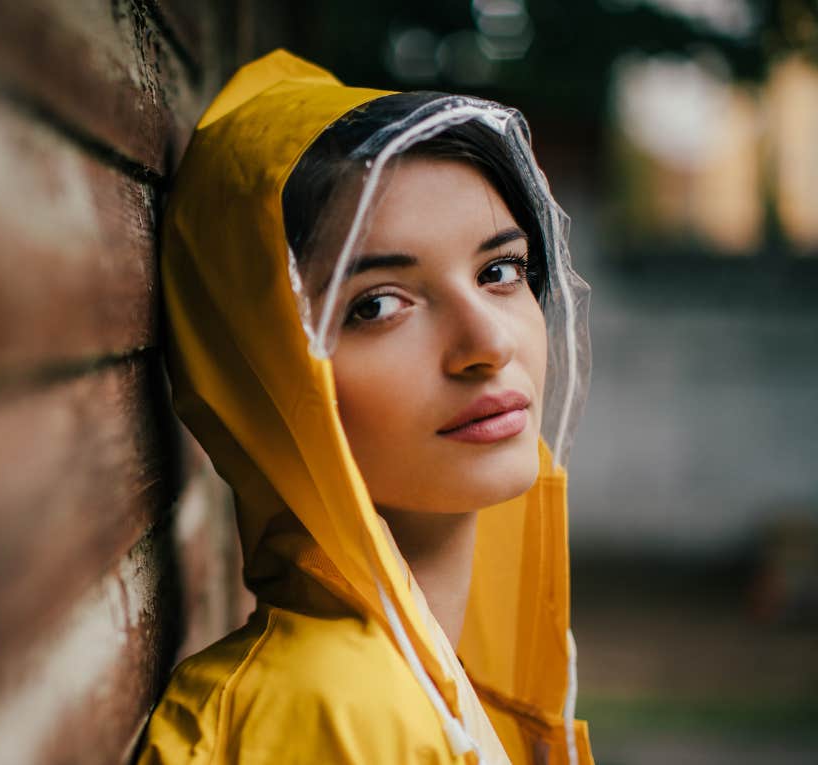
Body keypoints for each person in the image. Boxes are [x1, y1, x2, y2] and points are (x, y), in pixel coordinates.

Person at [137, 50, 593, 764]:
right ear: (263, 369)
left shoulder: (416, 678)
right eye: (379, 305)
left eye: (500, 271)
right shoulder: (323, 712)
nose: (488, 342)